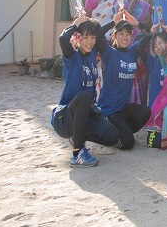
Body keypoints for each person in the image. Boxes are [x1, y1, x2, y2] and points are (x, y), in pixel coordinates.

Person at [51, 15, 119, 167]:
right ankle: (77, 153)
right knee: (84, 96)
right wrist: (76, 24)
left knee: (112, 136)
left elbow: (100, 33)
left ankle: (78, 136)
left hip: (85, 113)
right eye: (85, 37)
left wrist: (114, 21)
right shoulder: (72, 57)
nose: (90, 41)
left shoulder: (92, 54)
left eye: (92, 37)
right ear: (77, 38)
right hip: (65, 118)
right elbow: (63, 39)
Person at [94, 10, 151, 150]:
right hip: (108, 111)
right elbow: (98, 35)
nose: (125, 37)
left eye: (128, 34)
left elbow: (149, 35)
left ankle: (122, 132)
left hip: (123, 109)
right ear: (115, 36)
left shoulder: (132, 52)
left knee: (145, 112)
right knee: (128, 144)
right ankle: (109, 133)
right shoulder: (109, 53)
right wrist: (114, 21)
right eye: (121, 34)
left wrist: (135, 23)